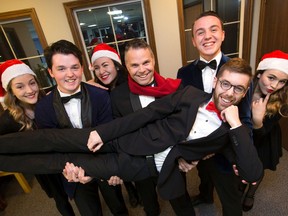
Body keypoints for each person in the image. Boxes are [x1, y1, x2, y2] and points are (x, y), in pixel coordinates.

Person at [0, 58, 263, 213]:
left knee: (63, 161)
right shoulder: (190, 94)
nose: (229, 93)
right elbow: (146, 115)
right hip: (122, 137)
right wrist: (102, 133)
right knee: (54, 140)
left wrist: (237, 125)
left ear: (245, 92)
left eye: (238, 89)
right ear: (216, 82)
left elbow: (252, 174)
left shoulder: (232, 131)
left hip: (137, 166)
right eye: (226, 84)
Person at [35, 40, 128, 216]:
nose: (70, 74)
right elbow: (52, 147)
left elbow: (110, 135)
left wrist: (113, 168)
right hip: (72, 171)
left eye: (75, 67)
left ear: (82, 67)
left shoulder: (101, 96)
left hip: (104, 163)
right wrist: (73, 170)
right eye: (61, 69)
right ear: (51, 72)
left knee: (118, 208)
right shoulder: (43, 108)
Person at [177, 11, 252, 216]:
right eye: (200, 32)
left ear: (223, 34)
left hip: (225, 151)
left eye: (213, 29)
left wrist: (240, 154)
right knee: (204, 178)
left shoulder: (241, 72)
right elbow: (182, 114)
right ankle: (205, 195)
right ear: (193, 40)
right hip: (198, 145)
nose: (207, 36)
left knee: (230, 199)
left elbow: (244, 120)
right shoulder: (183, 73)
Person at [108, 38, 186, 216]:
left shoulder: (173, 88)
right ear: (126, 67)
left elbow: (184, 127)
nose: (142, 70)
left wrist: (184, 155)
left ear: (153, 60)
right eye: (134, 65)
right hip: (138, 162)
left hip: (171, 160)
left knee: (182, 204)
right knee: (150, 207)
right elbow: (117, 133)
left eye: (146, 62)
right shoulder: (117, 96)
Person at [89, 43, 140, 208]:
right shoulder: (96, 89)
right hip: (109, 136)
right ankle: (130, 189)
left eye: (105, 65)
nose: (101, 71)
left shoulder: (130, 84)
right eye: (97, 68)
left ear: (117, 66)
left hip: (130, 133)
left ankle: (139, 188)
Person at [240, 50, 288, 211]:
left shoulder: (281, 101)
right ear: (260, 73)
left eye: (282, 82)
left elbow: (261, 135)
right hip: (243, 137)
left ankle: (250, 194)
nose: (274, 86)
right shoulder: (244, 88)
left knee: (257, 169)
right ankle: (240, 189)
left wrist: (258, 120)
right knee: (240, 167)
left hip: (265, 139)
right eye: (271, 77)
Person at [0, 59, 43, 212]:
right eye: (20, 86)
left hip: (61, 160)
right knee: (58, 198)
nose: (30, 90)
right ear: (11, 91)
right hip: (41, 168)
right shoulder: (7, 120)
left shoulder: (46, 102)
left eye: (32, 83)